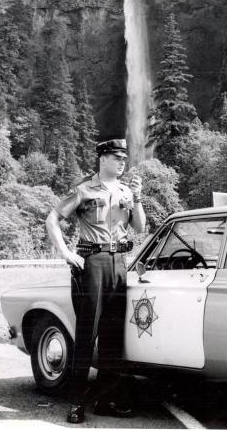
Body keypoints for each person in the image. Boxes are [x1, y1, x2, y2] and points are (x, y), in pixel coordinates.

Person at [46, 138, 146, 424]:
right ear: (103, 159)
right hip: (92, 262)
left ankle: (106, 400)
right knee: (87, 334)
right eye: (117, 158)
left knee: (113, 335)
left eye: (124, 159)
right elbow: (52, 219)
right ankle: (77, 403)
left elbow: (139, 228)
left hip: (119, 263)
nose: (122, 163)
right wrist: (65, 252)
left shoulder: (127, 190)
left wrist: (137, 199)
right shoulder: (83, 189)